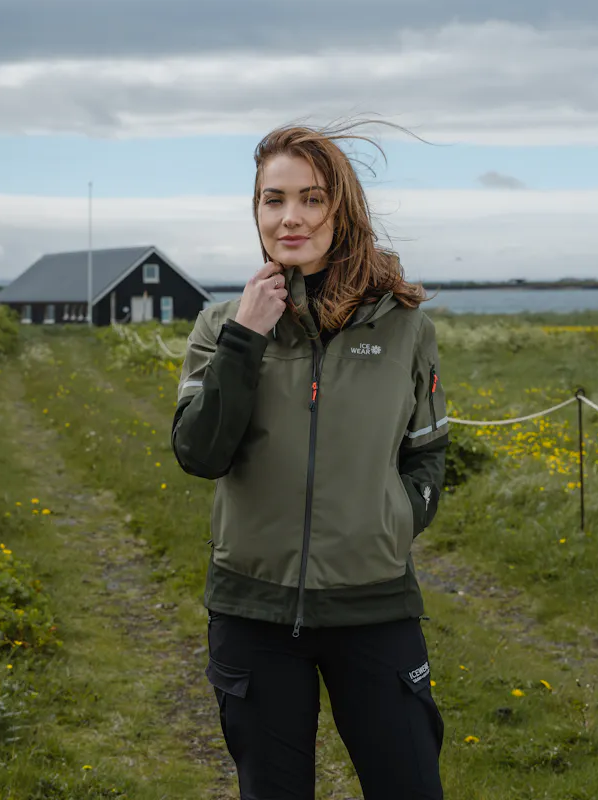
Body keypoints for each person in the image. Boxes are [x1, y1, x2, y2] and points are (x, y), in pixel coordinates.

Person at [171, 120, 450, 800]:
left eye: (311, 198)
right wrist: (246, 337)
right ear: (257, 211)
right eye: (273, 199)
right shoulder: (221, 326)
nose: (290, 217)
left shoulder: (404, 323)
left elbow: (429, 452)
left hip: (374, 607)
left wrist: (393, 522)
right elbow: (198, 453)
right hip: (253, 612)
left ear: (342, 210)